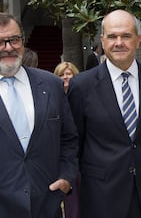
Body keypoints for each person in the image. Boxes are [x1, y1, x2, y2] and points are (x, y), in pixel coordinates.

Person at [67, 9, 141, 218]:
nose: (119, 42)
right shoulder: (82, 85)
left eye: (126, 36)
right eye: (112, 36)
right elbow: (73, 140)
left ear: (138, 39)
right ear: (103, 40)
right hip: (100, 195)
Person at [0, 12, 78, 218]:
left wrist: (66, 177)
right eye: (0, 41)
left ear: (23, 42)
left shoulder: (51, 85)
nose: (8, 47)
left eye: (14, 40)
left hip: (46, 204)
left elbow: (69, 138)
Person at [53, 61, 80, 218]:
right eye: (61, 74)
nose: (65, 77)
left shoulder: (81, 95)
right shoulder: (53, 97)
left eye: (68, 74)